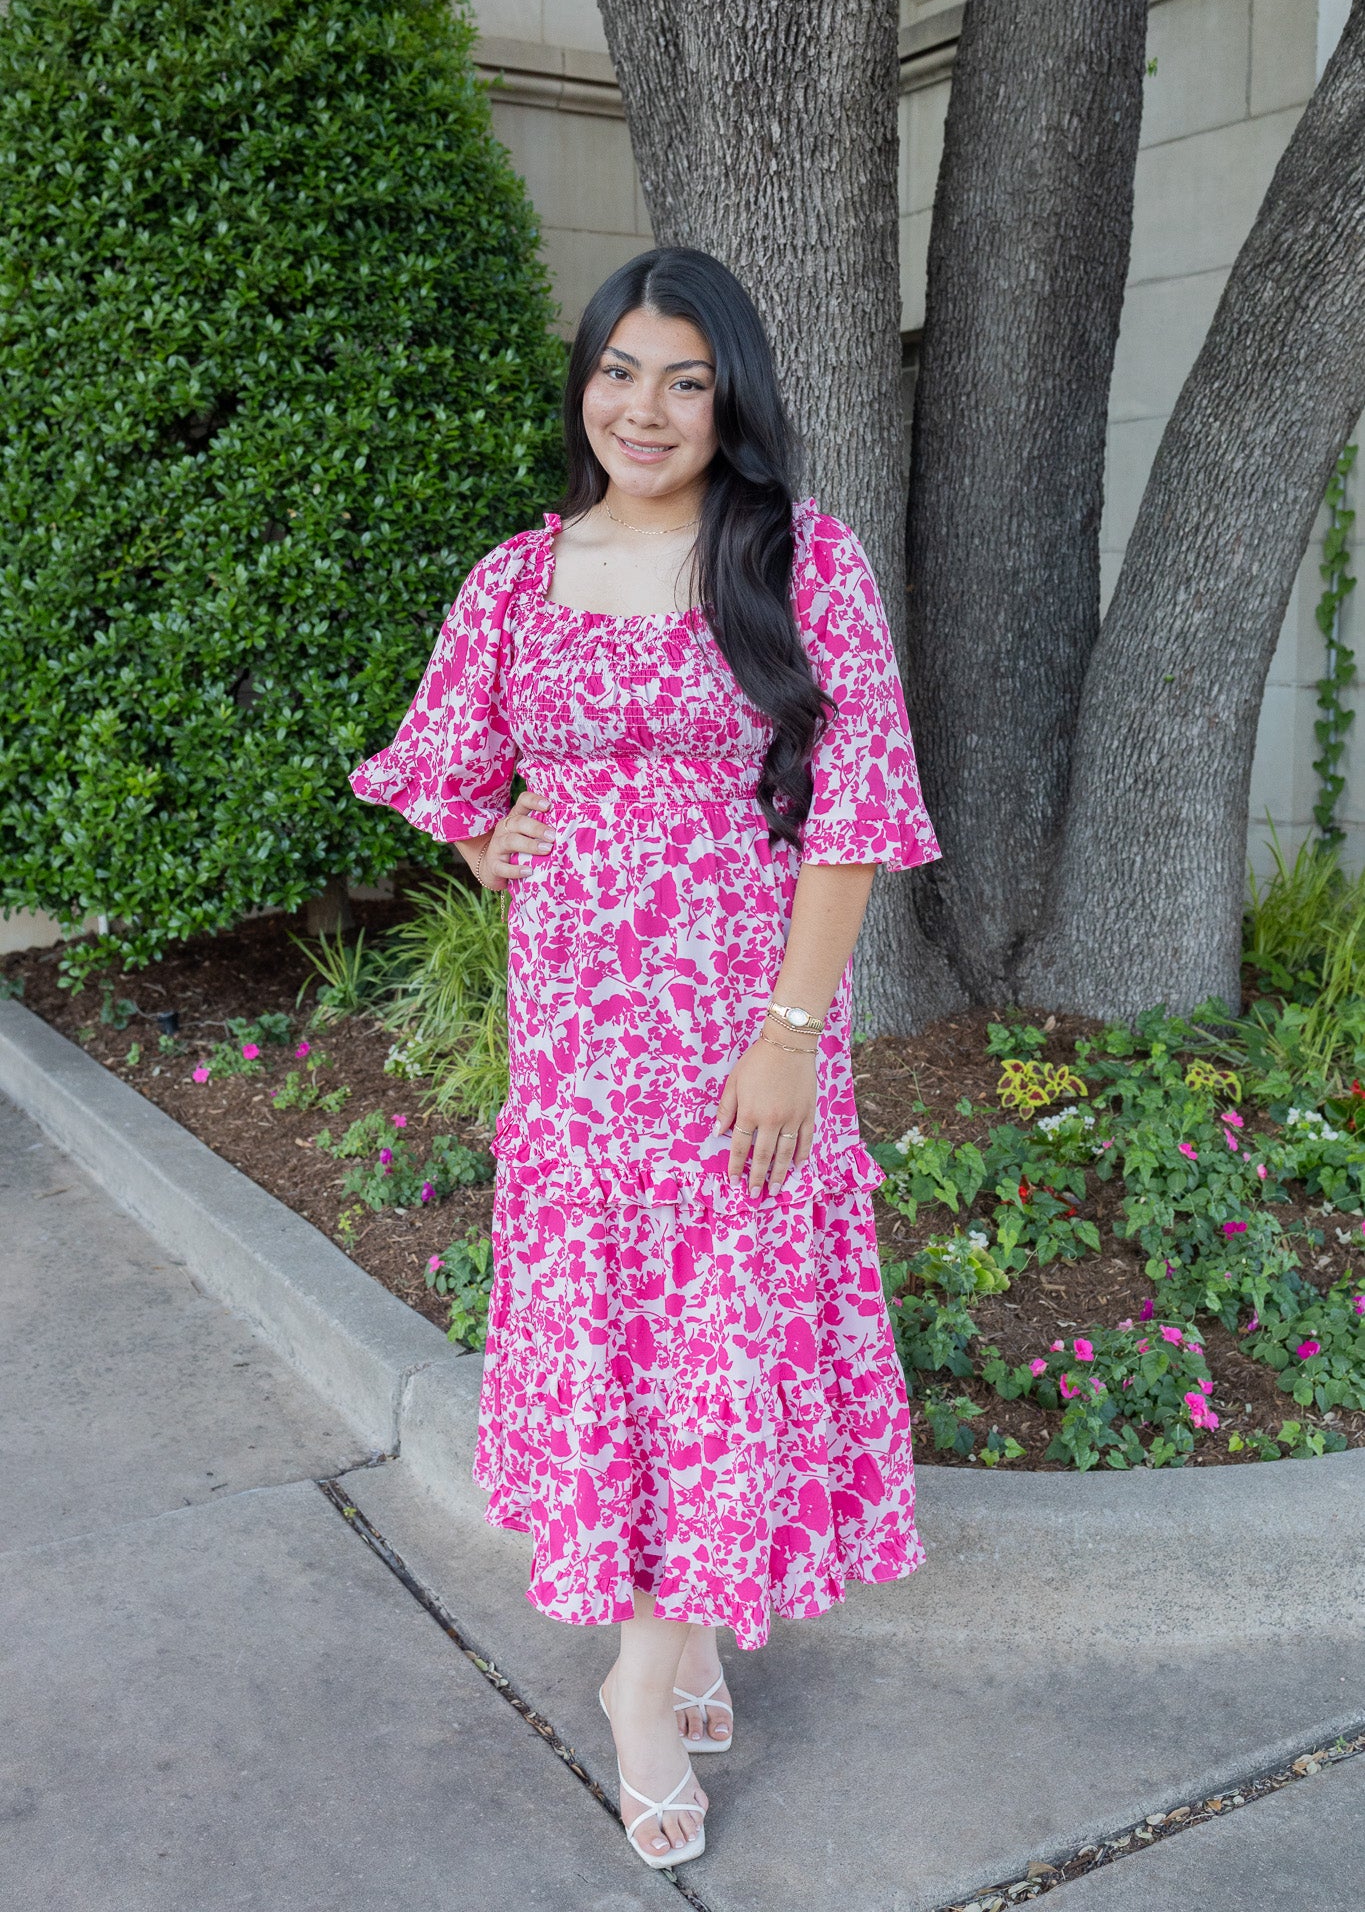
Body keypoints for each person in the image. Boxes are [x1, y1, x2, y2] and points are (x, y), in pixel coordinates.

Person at [349, 247, 940, 1870]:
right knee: (627, 1357)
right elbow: (442, 766)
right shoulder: (516, 578)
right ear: (584, 386)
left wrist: (790, 1042)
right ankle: (678, 1647)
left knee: (727, 1352)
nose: (647, 407)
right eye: (620, 371)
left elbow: (853, 820)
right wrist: (485, 838)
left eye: (686, 377)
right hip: (577, 1053)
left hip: (740, 1044)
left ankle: (637, 1682)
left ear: (730, 395)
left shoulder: (800, 560)